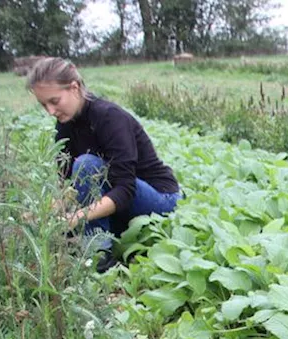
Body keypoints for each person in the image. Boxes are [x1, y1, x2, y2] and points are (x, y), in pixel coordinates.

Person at [26, 57, 182, 272]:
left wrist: (78, 216)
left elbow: (125, 190)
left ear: (74, 87)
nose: (51, 111)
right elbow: (65, 185)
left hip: (159, 198)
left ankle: (99, 255)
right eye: (44, 105)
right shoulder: (65, 126)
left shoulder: (109, 117)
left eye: (54, 101)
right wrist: (47, 213)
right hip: (122, 201)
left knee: (87, 164)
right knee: (83, 172)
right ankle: (95, 239)